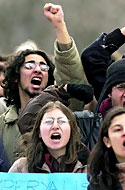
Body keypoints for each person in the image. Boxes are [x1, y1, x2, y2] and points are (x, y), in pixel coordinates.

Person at [18, 58, 125, 151]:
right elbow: (28, 123)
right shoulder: (84, 125)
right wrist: (61, 92)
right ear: (109, 92)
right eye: (121, 87)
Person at [0, 3, 90, 164]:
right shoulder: (3, 122)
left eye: (43, 66)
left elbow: (71, 75)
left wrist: (60, 26)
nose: (37, 70)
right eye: (29, 66)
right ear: (15, 77)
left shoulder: (65, 111)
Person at [9, 101, 86, 173]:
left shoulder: (88, 168)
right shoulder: (21, 168)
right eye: (49, 122)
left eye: (61, 121)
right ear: (39, 132)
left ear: (71, 130)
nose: (55, 126)